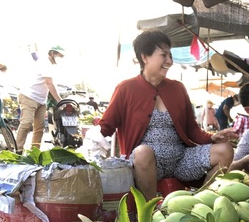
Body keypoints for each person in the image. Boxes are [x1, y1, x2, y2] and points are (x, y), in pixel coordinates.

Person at [99, 30, 234, 200]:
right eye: (164, 55)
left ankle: (200, 201)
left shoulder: (178, 88)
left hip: (181, 160)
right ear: (145, 57)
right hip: (145, 163)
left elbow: (191, 129)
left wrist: (211, 138)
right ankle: (150, 212)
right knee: (142, 152)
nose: (169, 61)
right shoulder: (126, 89)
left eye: (170, 55)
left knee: (225, 150)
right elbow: (106, 126)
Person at [15, 45, 65, 150]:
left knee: (39, 127)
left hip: (41, 100)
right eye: (59, 55)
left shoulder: (51, 66)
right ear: (52, 53)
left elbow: (52, 85)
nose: (60, 58)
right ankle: (18, 150)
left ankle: (35, 152)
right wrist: (60, 101)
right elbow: (49, 84)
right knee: (26, 123)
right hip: (29, 96)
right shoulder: (45, 63)